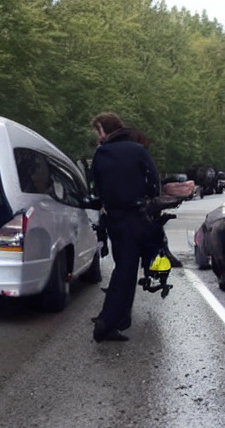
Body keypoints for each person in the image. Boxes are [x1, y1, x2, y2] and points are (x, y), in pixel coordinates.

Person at [90, 112, 161, 342]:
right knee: (127, 271)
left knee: (123, 267)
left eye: (97, 131)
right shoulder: (138, 150)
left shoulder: (101, 154)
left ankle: (117, 318)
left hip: (114, 219)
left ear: (103, 129)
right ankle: (107, 323)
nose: (96, 137)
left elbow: (97, 186)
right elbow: (154, 181)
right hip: (137, 216)